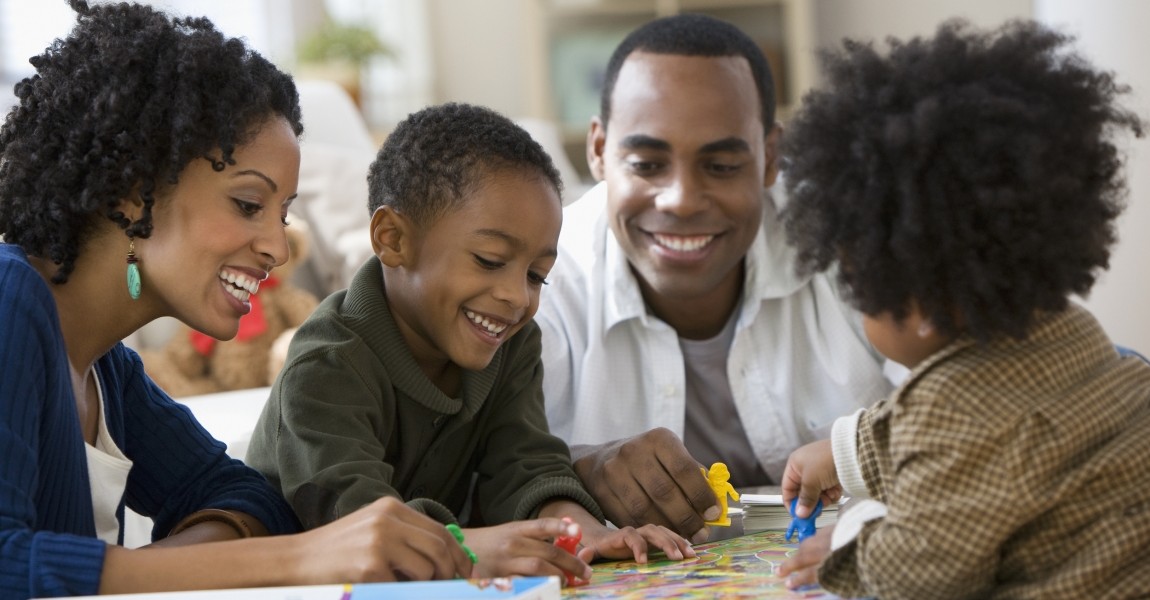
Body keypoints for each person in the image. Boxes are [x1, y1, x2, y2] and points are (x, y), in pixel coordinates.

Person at [0, 2, 477, 597]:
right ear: (131, 193)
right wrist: (297, 560)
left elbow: (249, 498)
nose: (278, 247)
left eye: (284, 214)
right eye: (248, 205)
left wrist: (183, 569)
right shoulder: (10, 301)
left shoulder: (106, 368)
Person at [776, 19, 1150, 598]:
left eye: (858, 281)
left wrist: (854, 536)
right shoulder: (1074, 332)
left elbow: (917, 578)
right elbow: (955, 430)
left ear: (918, 302)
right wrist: (844, 452)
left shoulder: (950, 413)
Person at [245, 102, 694, 584]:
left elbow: (525, 464)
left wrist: (578, 531)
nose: (516, 296)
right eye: (489, 259)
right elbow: (356, 522)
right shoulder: (327, 364)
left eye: (537, 275)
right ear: (393, 238)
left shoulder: (510, 344)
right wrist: (475, 548)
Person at [536, 13, 893, 543]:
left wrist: (866, 447)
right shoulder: (541, 278)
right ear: (598, 151)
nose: (680, 200)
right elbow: (481, 471)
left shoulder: (854, 239)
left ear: (770, 156)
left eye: (721, 165)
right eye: (646, 163)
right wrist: (580, 469)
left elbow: (986, 392)